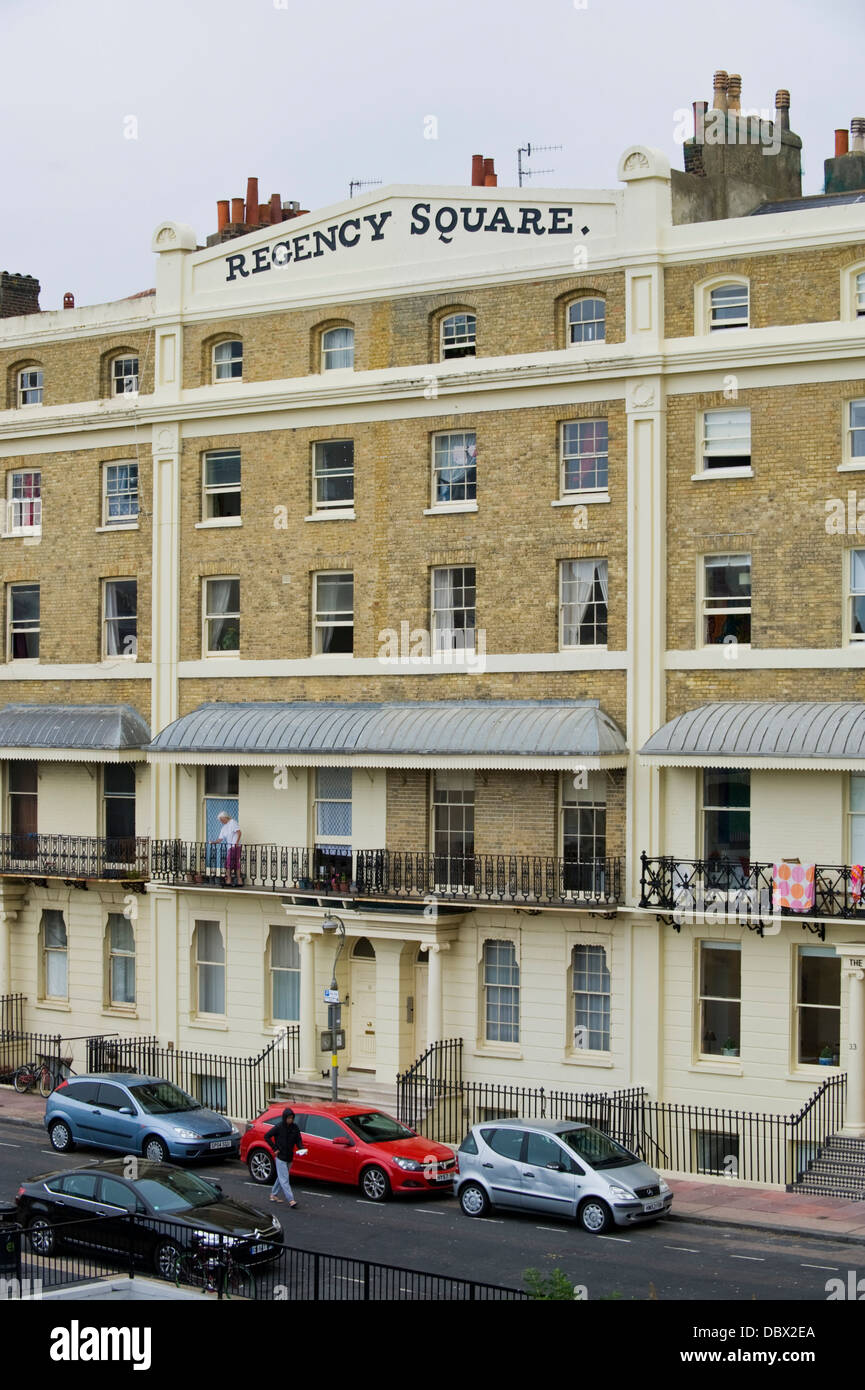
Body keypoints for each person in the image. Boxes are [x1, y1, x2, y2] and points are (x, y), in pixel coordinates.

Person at [268, 1106, 305, 1208]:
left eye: (292, 1118)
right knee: (284, 1179)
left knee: (281, 1177)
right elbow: (267, 1136)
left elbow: (298, 1140)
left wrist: (301, 1148)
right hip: (280, 1157)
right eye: (288, 1118)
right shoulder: (279, 1127)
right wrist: (275, 1148)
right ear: (284, 1118)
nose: (290, 1120)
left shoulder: (295, 1128)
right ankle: (291, 1200)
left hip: (289, 1157)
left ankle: (273, 1194)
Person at [212, 810, 243, 886]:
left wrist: (236, 842)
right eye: (220, 820)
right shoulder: (224, 827)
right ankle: (238, 880)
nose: (221, 821)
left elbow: (239, 832)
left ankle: (229, 880)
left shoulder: (232, 822)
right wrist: (214, 842)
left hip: (235, 846)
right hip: (230, 847)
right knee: (233, 863)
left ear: (225, 817)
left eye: (222, 820)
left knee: (230, 863)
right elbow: (220, 839)